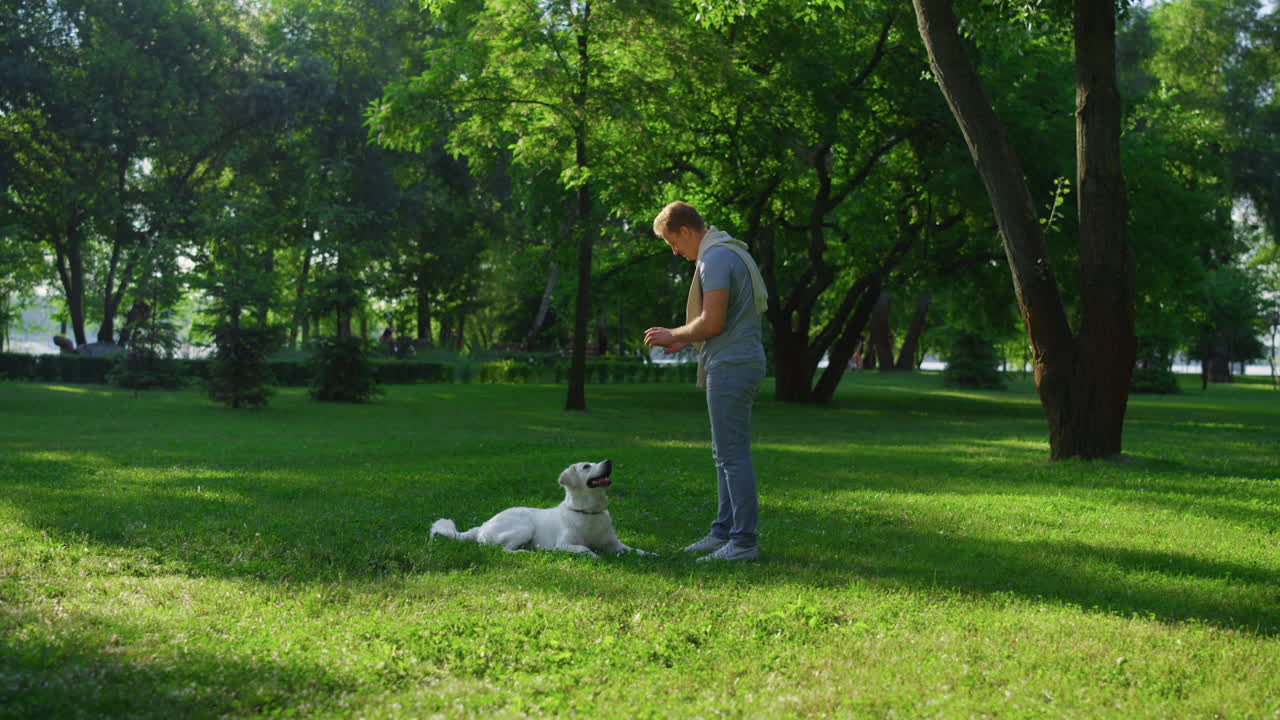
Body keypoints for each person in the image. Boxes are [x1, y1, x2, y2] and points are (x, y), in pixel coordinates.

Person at [643, 201, 768, 562]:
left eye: (673, 242)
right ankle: (723, 532)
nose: (674, 251)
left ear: (685, 231)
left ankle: (743, 542)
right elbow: (719, 322)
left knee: (732, 455)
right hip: (733, 360)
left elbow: (712, 323)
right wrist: (686, 339)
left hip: (732, 365)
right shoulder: (727, 251)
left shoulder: (714, 259)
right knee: (725, 454)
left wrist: (673, 333)